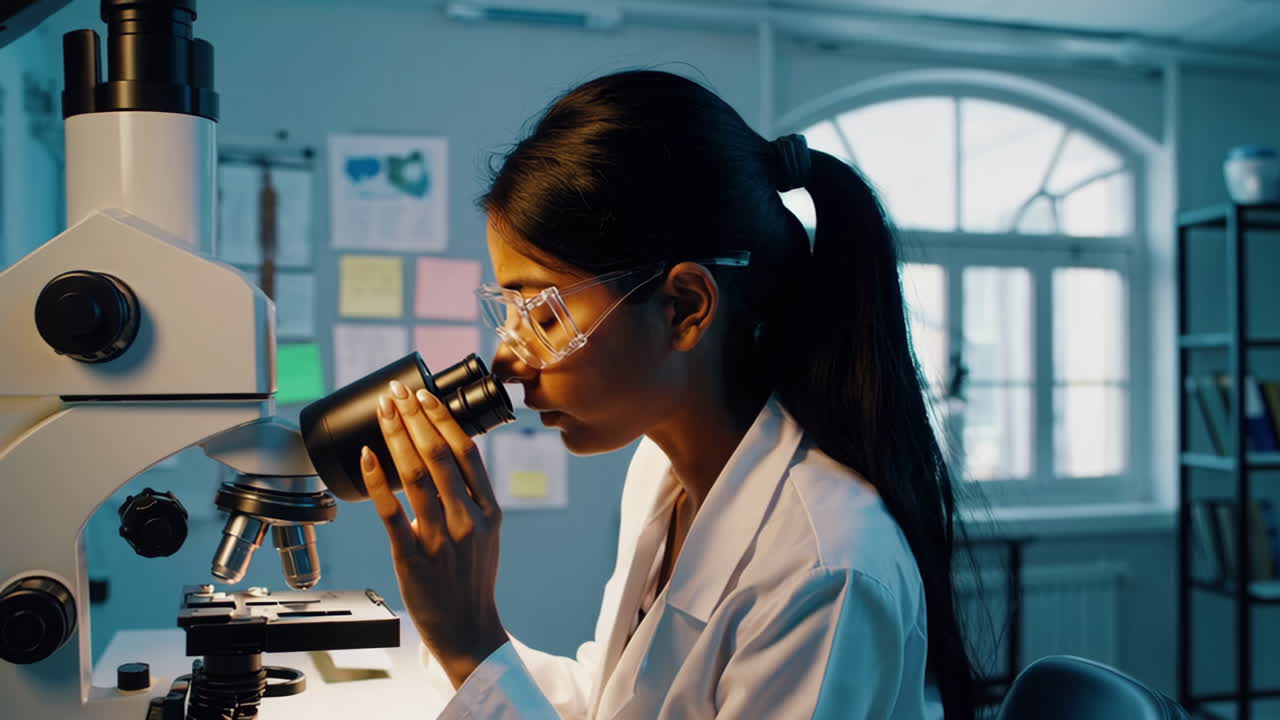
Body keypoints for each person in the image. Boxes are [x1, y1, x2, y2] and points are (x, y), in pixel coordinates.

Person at [358, 69, 979, 719]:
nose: (507, 361)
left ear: (685, 306)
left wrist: (471, 642)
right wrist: (444, 636)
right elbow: (613, 701)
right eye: (507, 311)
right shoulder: (662, 471)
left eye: (544, 316)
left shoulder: (825, 568)